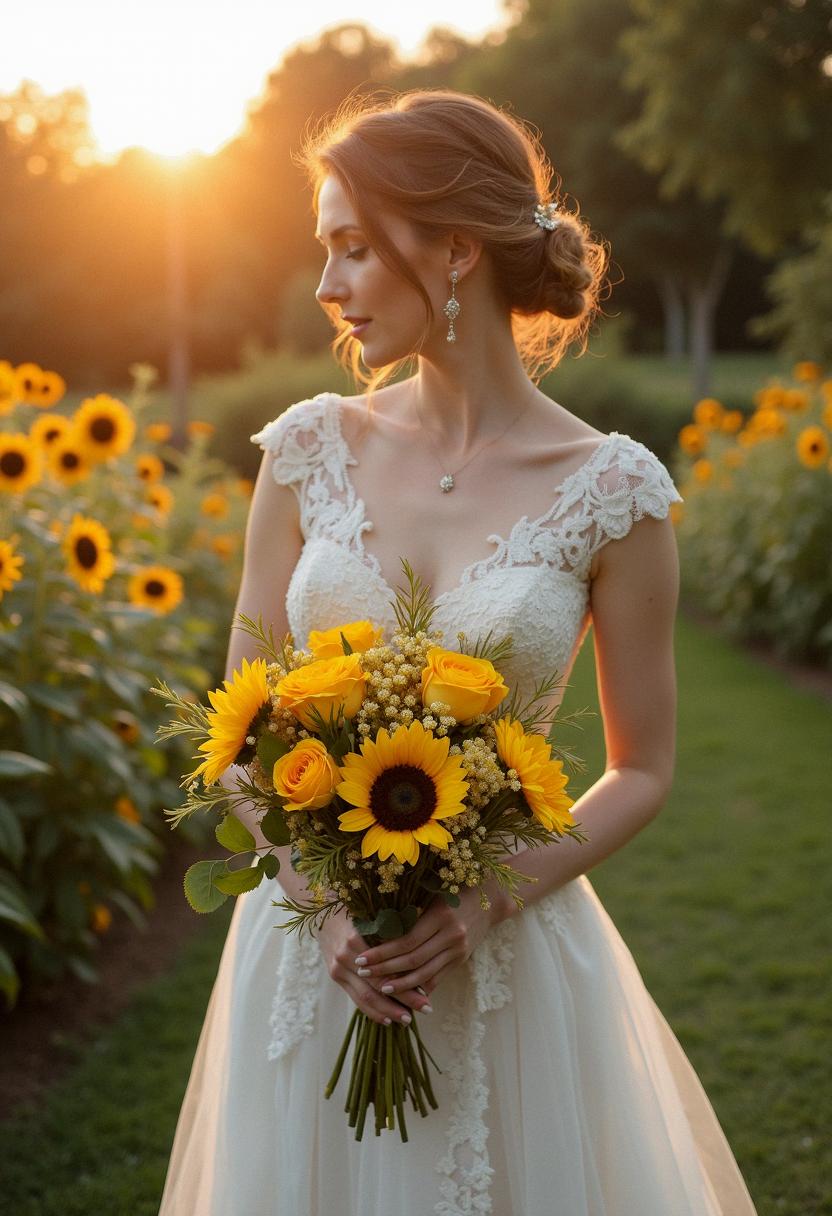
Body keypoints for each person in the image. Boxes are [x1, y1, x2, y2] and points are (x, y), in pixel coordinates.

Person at [158, 89, 758, 1215]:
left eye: (351, 247)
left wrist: (472, 909)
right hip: (310, 958)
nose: (327, 287)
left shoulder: (614, 492)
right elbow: (233, 722)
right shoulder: (303, 451)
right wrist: (325, 907)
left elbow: (643, 769)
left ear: (453, 251)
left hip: (505, 954)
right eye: (322, 250)